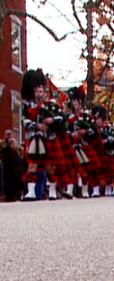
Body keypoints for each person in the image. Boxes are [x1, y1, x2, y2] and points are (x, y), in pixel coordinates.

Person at [21, 69, 66, 201]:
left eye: (41, 89)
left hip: (49, 138)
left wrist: (51, 121)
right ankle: (31, 191)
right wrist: (36, 125)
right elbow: (24, 121)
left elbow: (62, 118)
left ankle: (52, 190)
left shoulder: (50, 105)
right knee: (32, 164)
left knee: (50, 165)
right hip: (34, 137)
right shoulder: (27, 106)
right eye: (36, 90)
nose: (39, 92)